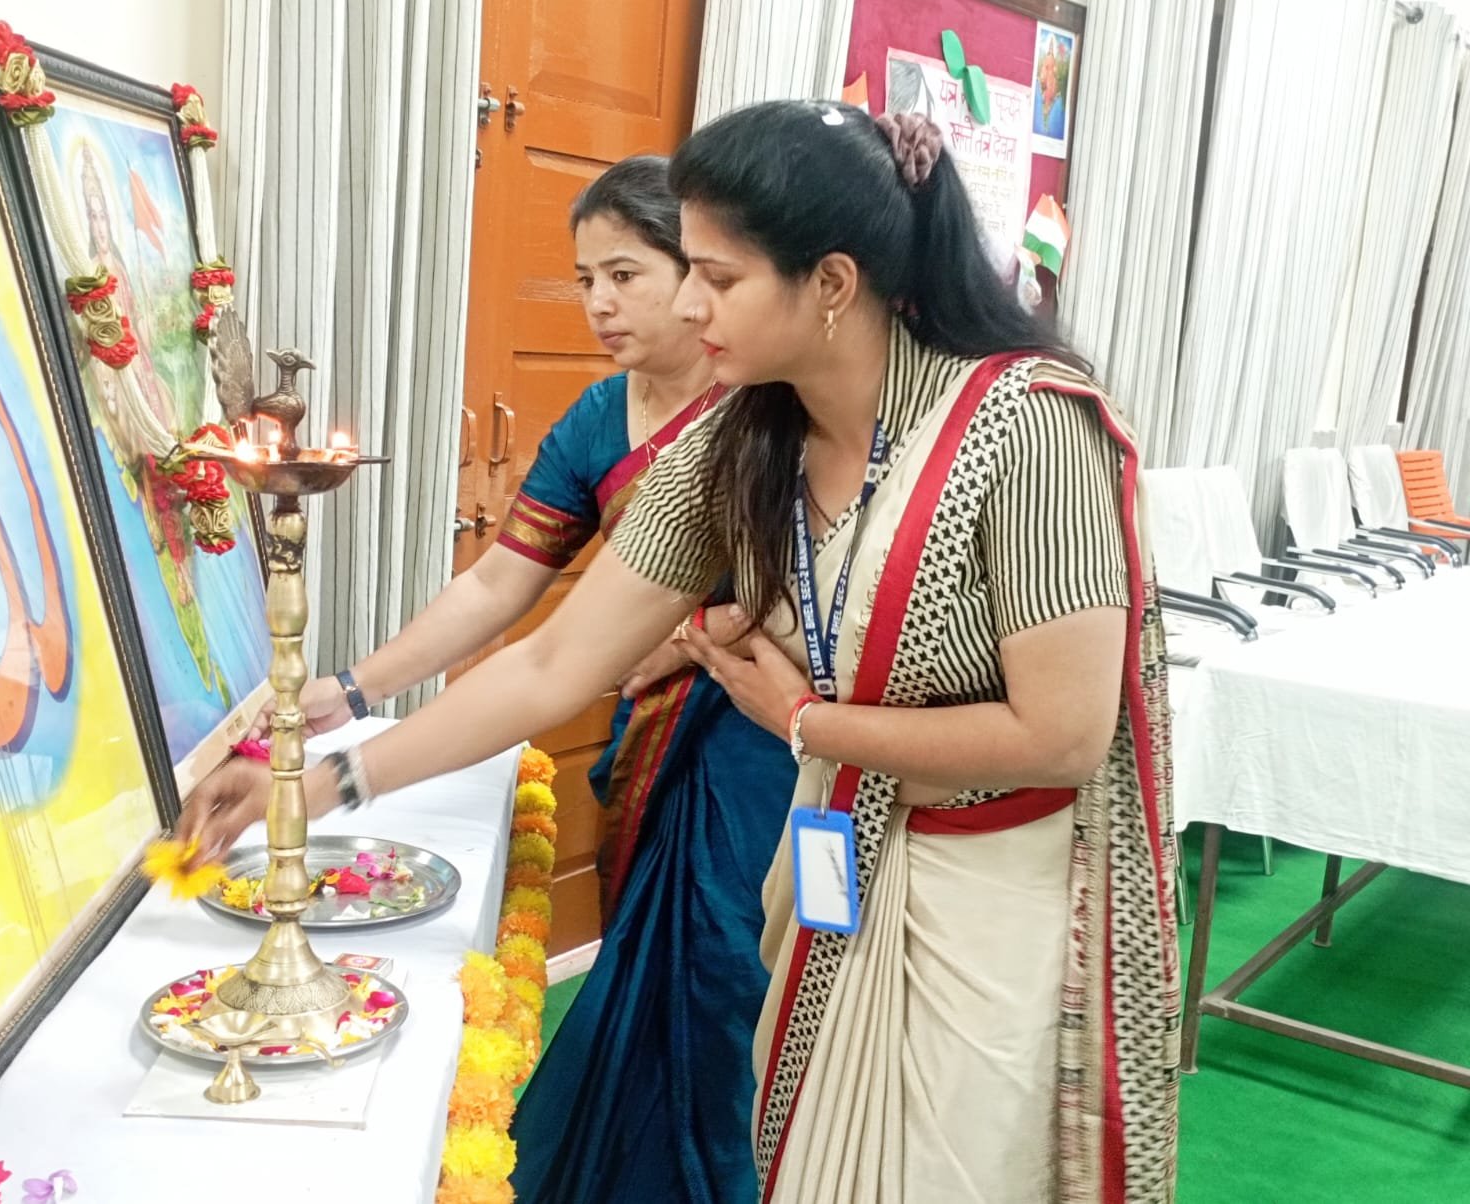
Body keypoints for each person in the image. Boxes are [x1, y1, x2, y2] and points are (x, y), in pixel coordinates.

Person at [182, 102, 1179, 1202]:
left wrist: (804, 721)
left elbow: (1062, 734)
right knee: (805, 1154)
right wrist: (317, 784)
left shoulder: (1028, 430)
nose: (686, 303)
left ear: (831, 283)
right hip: (833, 849)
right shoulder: (738, 436)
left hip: (991, 891)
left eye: (716, 276)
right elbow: (553, 661)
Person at [239, 155, 798, 1202]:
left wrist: (692, 637)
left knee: (729, 988)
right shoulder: (599, 418)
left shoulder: (773, 412)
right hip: (650, 742)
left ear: (697, 274)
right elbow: (501, 584)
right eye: (585, 279)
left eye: (624, 274)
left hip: (756, 750)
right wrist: (352, 692)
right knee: (652, 985)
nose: (598, 303)